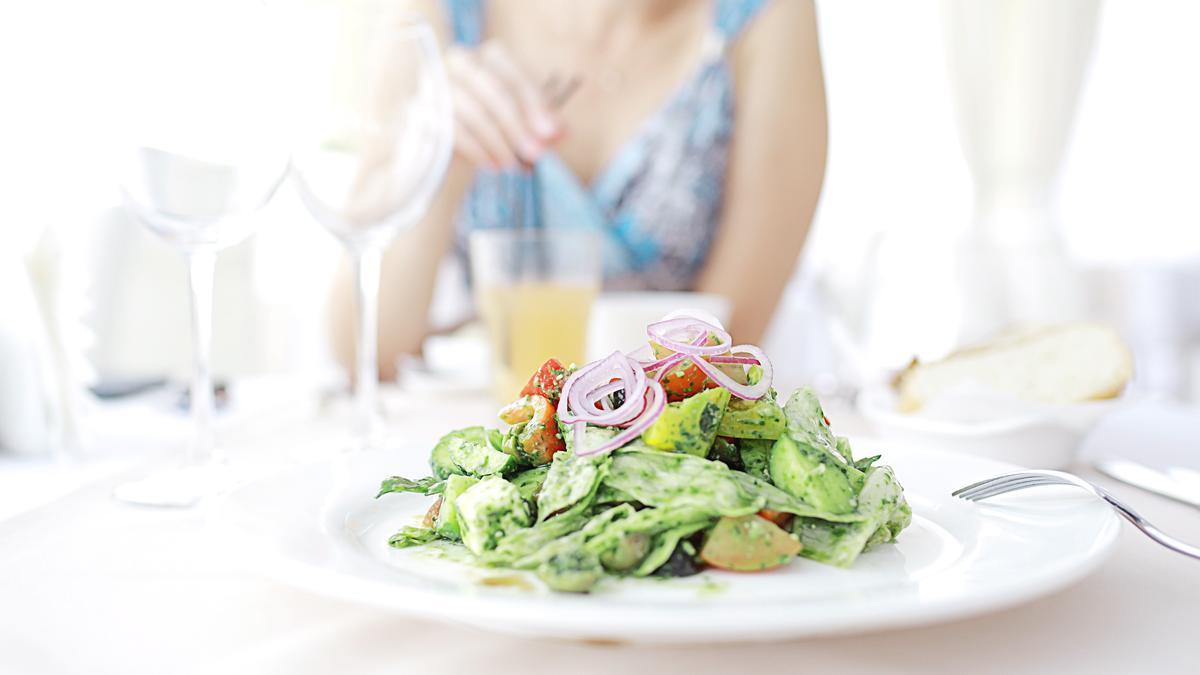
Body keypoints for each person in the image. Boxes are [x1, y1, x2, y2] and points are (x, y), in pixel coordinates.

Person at [332, 0, 827, 379]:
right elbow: (364, 352)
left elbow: (722, 351)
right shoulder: (437, 15)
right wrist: (435, 160)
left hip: (673, 457)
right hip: (499, 435)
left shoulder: (763, 15)